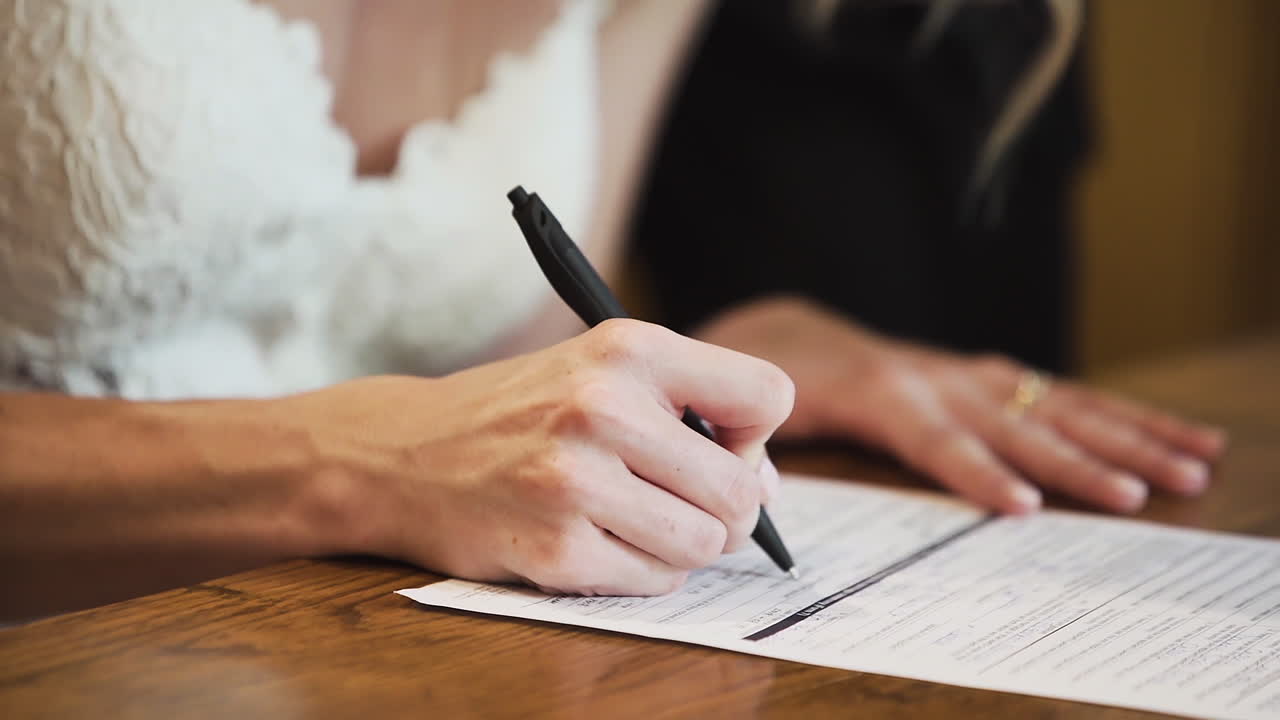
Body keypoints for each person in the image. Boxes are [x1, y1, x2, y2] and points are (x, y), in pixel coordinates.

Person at [0, 0, 1224, 622]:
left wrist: (682, 366)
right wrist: (351, 462)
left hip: (335, 652)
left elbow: (520, 338)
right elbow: (412, 443)